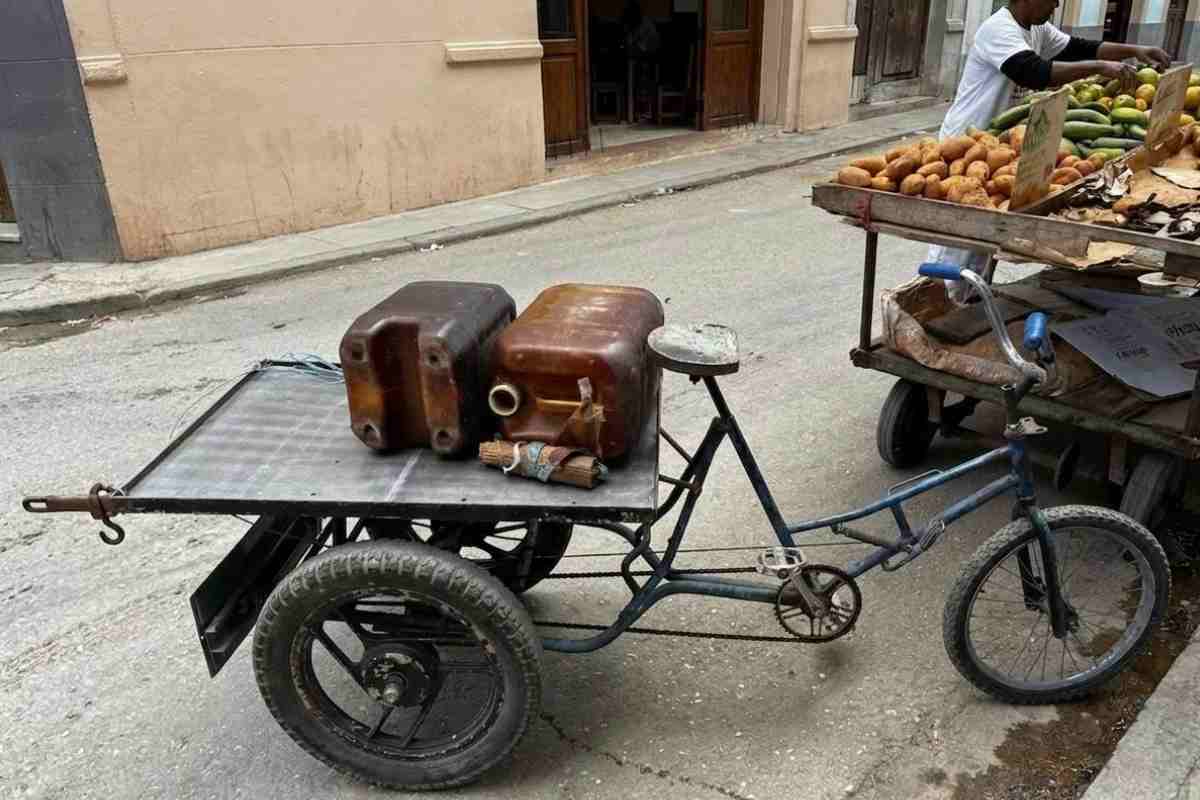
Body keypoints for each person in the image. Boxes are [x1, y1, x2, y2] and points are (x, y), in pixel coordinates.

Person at [930, 0, 1171, 301]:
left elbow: (1080, 46)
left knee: (989, 233)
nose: (1058, 3)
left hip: (1002, 146)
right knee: (960, 234)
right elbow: (1033, 72)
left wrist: (1134, 50)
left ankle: (973, 298)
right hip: (967, 142)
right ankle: (942, 300)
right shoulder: (998, 28)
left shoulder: (1037, 28)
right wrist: (1101, 68)